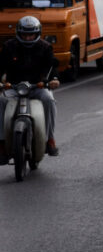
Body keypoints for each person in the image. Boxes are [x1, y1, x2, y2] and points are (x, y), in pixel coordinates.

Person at [0, 16, 60, 158]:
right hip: (14, 88)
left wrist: (54, 80)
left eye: (31, 34)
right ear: (18, 33)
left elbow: (52, 66)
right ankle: (1, 142)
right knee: (0, 101)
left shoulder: (45, 47)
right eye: (24, 34)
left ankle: (50, 139)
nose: (27, 38)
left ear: (37, 33)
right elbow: (0, 66)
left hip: (37, 87)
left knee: (49, 100)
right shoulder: (9, 47)